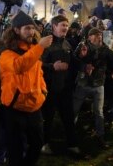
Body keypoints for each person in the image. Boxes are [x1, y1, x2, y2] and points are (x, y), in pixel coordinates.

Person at [0, 11, 53, 166]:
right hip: (14, 109)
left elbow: (39, 73)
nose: (31, 32)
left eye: (32, 28)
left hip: (34, 107)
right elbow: (19, 66)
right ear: (16, 30)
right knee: (15, 149)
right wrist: (40, 47)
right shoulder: (6, 53)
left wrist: (43, 91)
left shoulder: (34, 50)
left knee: (37, 144)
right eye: (27, 28)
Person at [41, 15, 80, 154]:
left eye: (66, 25)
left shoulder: (67, 43)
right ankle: (44, 144)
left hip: (65, 87)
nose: (65, 28)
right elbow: (37, 64)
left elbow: (73, 62)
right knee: (48, 117)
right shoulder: (46, 43)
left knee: (68, 117)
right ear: (54, 27)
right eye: (62, 25)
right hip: (49, 88)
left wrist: (82, 60)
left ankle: (72, 144)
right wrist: (52, 66)